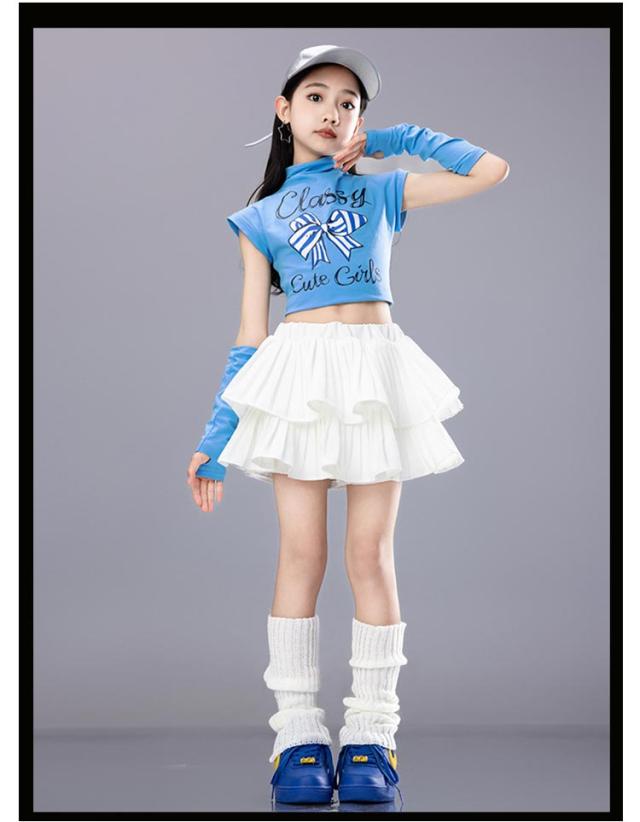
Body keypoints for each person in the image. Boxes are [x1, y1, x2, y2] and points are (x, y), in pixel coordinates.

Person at [186, 44, 509, 807]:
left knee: (371, 553)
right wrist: (214, 439)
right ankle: (297, 733)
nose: (333, 111)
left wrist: (392, 140)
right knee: (302, 553)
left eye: (349, 102)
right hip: (299, 375)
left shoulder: (383, 190)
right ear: (284, 109)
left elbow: (489, 170)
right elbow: (249, 336)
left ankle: (372, 732)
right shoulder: (258, 218)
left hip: (372, 375)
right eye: (317, 96)